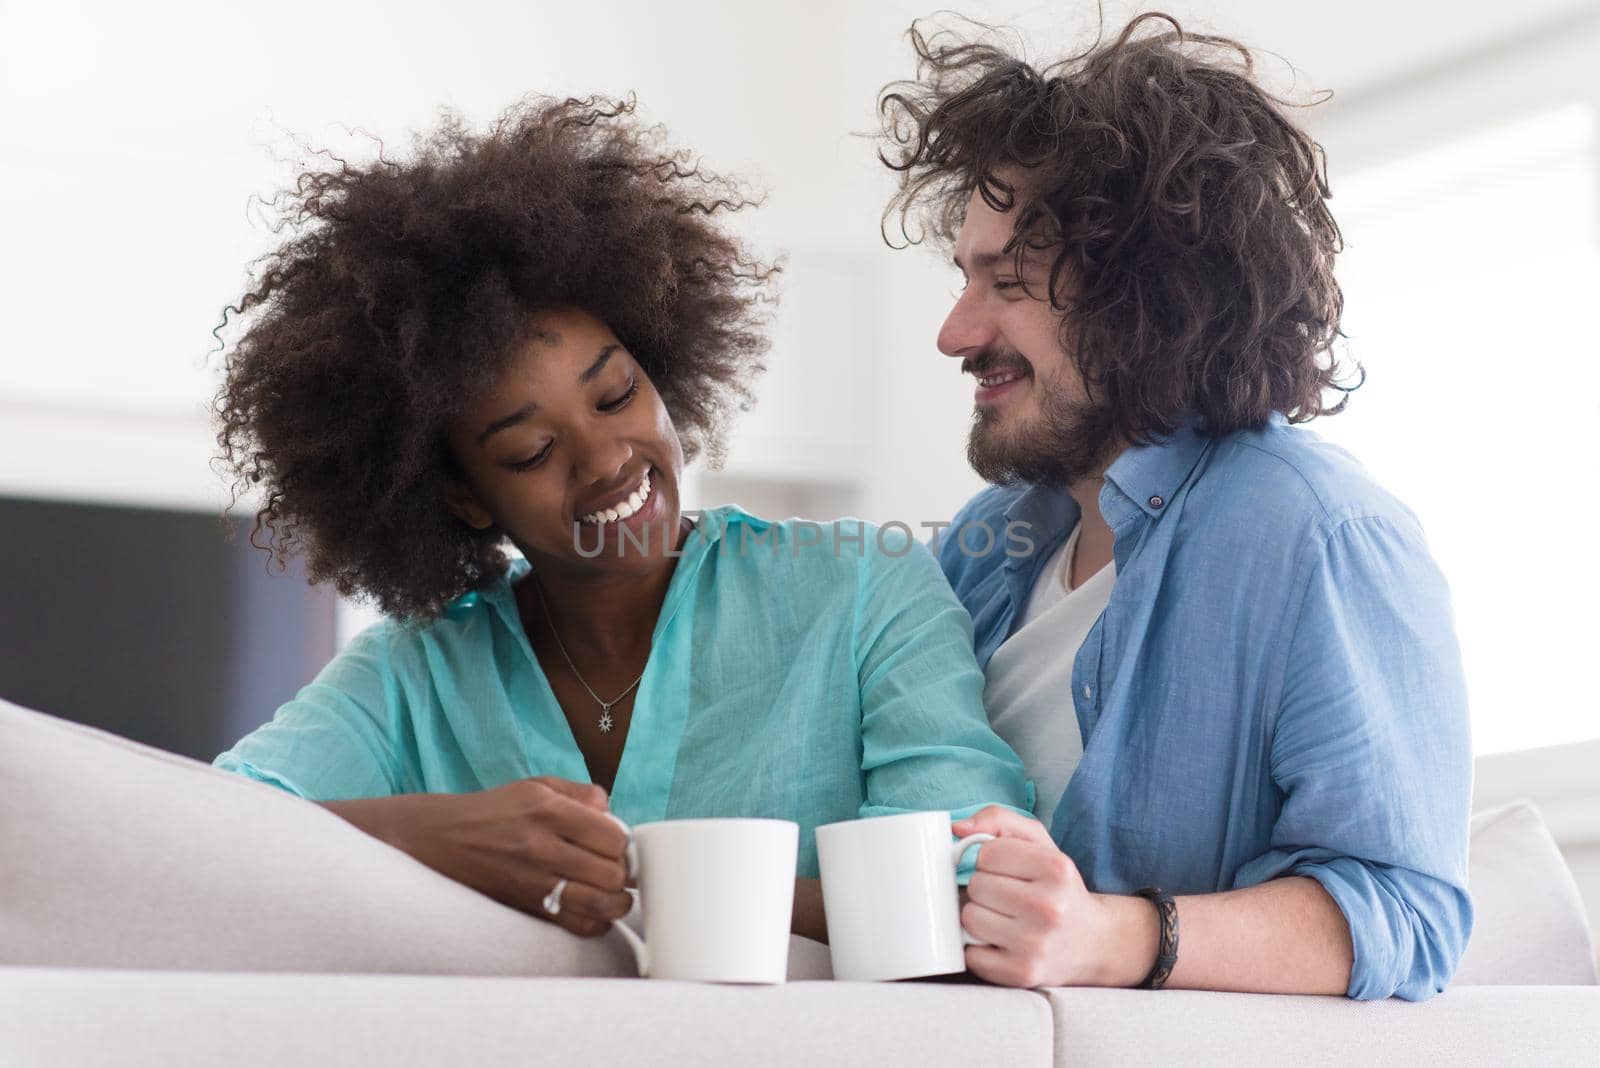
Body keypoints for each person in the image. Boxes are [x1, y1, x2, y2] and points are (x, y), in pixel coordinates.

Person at [209, 94, 1031, 944]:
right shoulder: (417, 676)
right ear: (460, 495)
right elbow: (201, 834)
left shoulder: (860, 592)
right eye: (530, 450)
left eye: (616, 395)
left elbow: (963, 893)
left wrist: (645, 886)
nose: (606, 460)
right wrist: (429, 839)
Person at [877, 13, 1472, 999]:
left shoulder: (1320, 534)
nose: (954, 332)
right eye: (963, 279)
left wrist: (1107, 936)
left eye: (1008, 284)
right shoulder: (987, 544)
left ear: (1148, 301)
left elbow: (1406, 910)